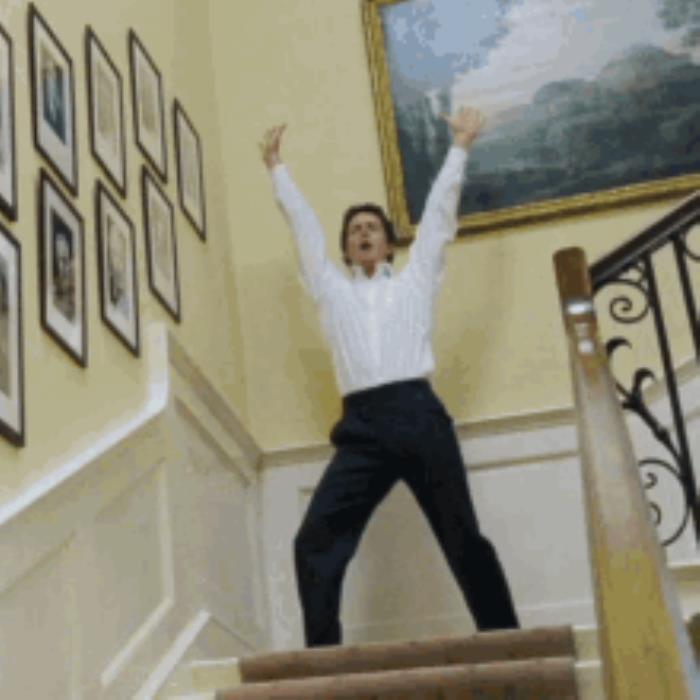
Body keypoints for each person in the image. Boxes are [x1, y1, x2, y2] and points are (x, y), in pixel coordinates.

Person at [260, 108, 519, 648]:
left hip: (420, 417)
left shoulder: (415, 281)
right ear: (346, 248)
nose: (362, 233)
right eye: (354, 230)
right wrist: (277, 169)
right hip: (361, 429)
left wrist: (460, 148)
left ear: (389, 245)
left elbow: (439, 216)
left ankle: (507, 641)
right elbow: (305, 230)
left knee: (463, 537)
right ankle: (325, 659)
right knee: (313, 541)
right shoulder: (330, 290)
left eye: (372, 228)